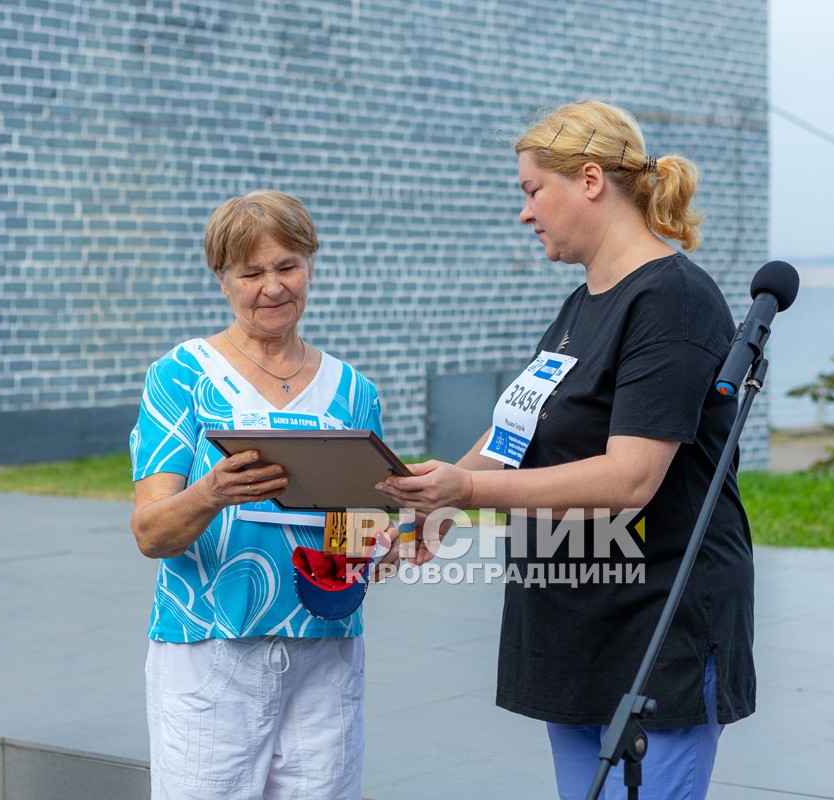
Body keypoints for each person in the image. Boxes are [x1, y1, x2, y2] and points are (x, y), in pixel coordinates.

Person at [377, 100, 756, 799]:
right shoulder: (583, 303)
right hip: (576, 625)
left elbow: (630, 478)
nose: (524, 214)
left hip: (655, 626)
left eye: (530, 191)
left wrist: (467, 493)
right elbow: (515, 434)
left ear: (588, 180)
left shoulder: (671, 299)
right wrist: (427, 505)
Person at [129, 190, 398, 799]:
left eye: (287, 267)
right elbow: (150, 533)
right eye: (251, 272)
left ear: (310, 265)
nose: (272, 287)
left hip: (326, 655)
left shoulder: (354, 393)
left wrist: (379, 540)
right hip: (211, 651)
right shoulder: (182, 377)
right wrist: (212, 493)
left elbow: (359, 537)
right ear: (223, 279)